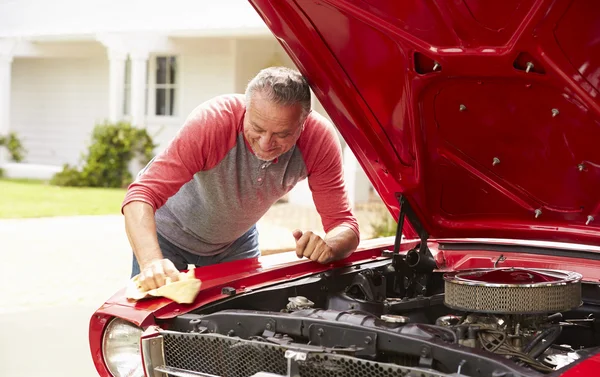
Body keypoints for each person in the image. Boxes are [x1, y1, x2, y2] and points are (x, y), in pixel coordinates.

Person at [122, 66, 360, 291]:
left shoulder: (318, 140)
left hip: (235, 244)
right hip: (167, 236)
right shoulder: (213, 122)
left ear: (304, 121)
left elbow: (345, 225)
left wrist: (330, 245)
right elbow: (141, 195)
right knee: (157, 326)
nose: (266, 143)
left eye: (282, 134)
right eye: (257, 127)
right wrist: (152, 261)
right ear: (246, 109)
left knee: (241, 322)